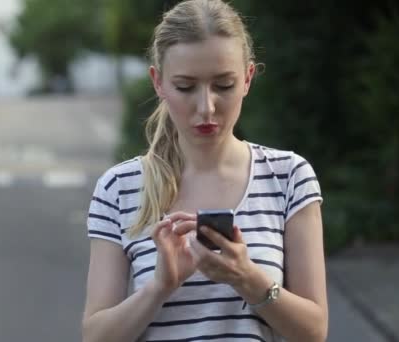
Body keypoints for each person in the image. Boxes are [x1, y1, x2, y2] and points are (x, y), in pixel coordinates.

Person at [82, 0, 328, 341]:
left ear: (247, 78)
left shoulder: (289, 177)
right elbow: (95, 336)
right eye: (185, 87)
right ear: (158, 83)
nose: (206, 106)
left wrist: (246, 276)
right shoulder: (118, 188)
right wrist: (160, 287)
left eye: (223, 85)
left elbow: (314, 331)